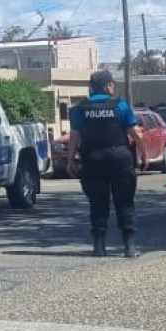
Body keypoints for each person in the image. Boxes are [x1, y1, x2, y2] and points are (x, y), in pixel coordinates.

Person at [66, 70, 146, 258]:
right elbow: (135, 132)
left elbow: (74, 137)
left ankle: (99, 246)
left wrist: (70, 161)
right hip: (120, 157)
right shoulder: (120, 105)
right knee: (125, 202)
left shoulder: (80, 109)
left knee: (97, 203)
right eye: (112, 84)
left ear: (91, 88)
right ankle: (129, 246)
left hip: (93, 159)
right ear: (108, 86)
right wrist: (144, 154)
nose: (113, 87)